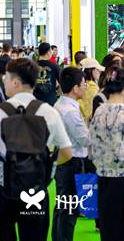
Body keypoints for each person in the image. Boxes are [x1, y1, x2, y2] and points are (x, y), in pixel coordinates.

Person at [0, 59, 72, 241]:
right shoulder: (49, 111)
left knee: (6, 235)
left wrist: (2, 161)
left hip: (5, 187)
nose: (4, 81)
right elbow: (67, 152)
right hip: (36, 187)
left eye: (6, 78)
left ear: (16, 82)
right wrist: (47, 167)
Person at [52, 67, 94, 241]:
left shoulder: (60, 105)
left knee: (62, 207)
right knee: (69, 209)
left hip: (63, 159)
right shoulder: (69, 111)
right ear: (75, 88)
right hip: (72, 161)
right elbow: (85, 139)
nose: (85, 87)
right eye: (83, 84)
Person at [88, 67, 124, 241]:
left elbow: (91, 146)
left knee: (109, 229)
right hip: (122, 177)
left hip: (103, 179)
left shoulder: (99, 111)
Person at [79, 58, 105, 123]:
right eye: (97, 69)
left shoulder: (81, 84)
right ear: (90, 70)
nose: (99, 72)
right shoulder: (92, 87)